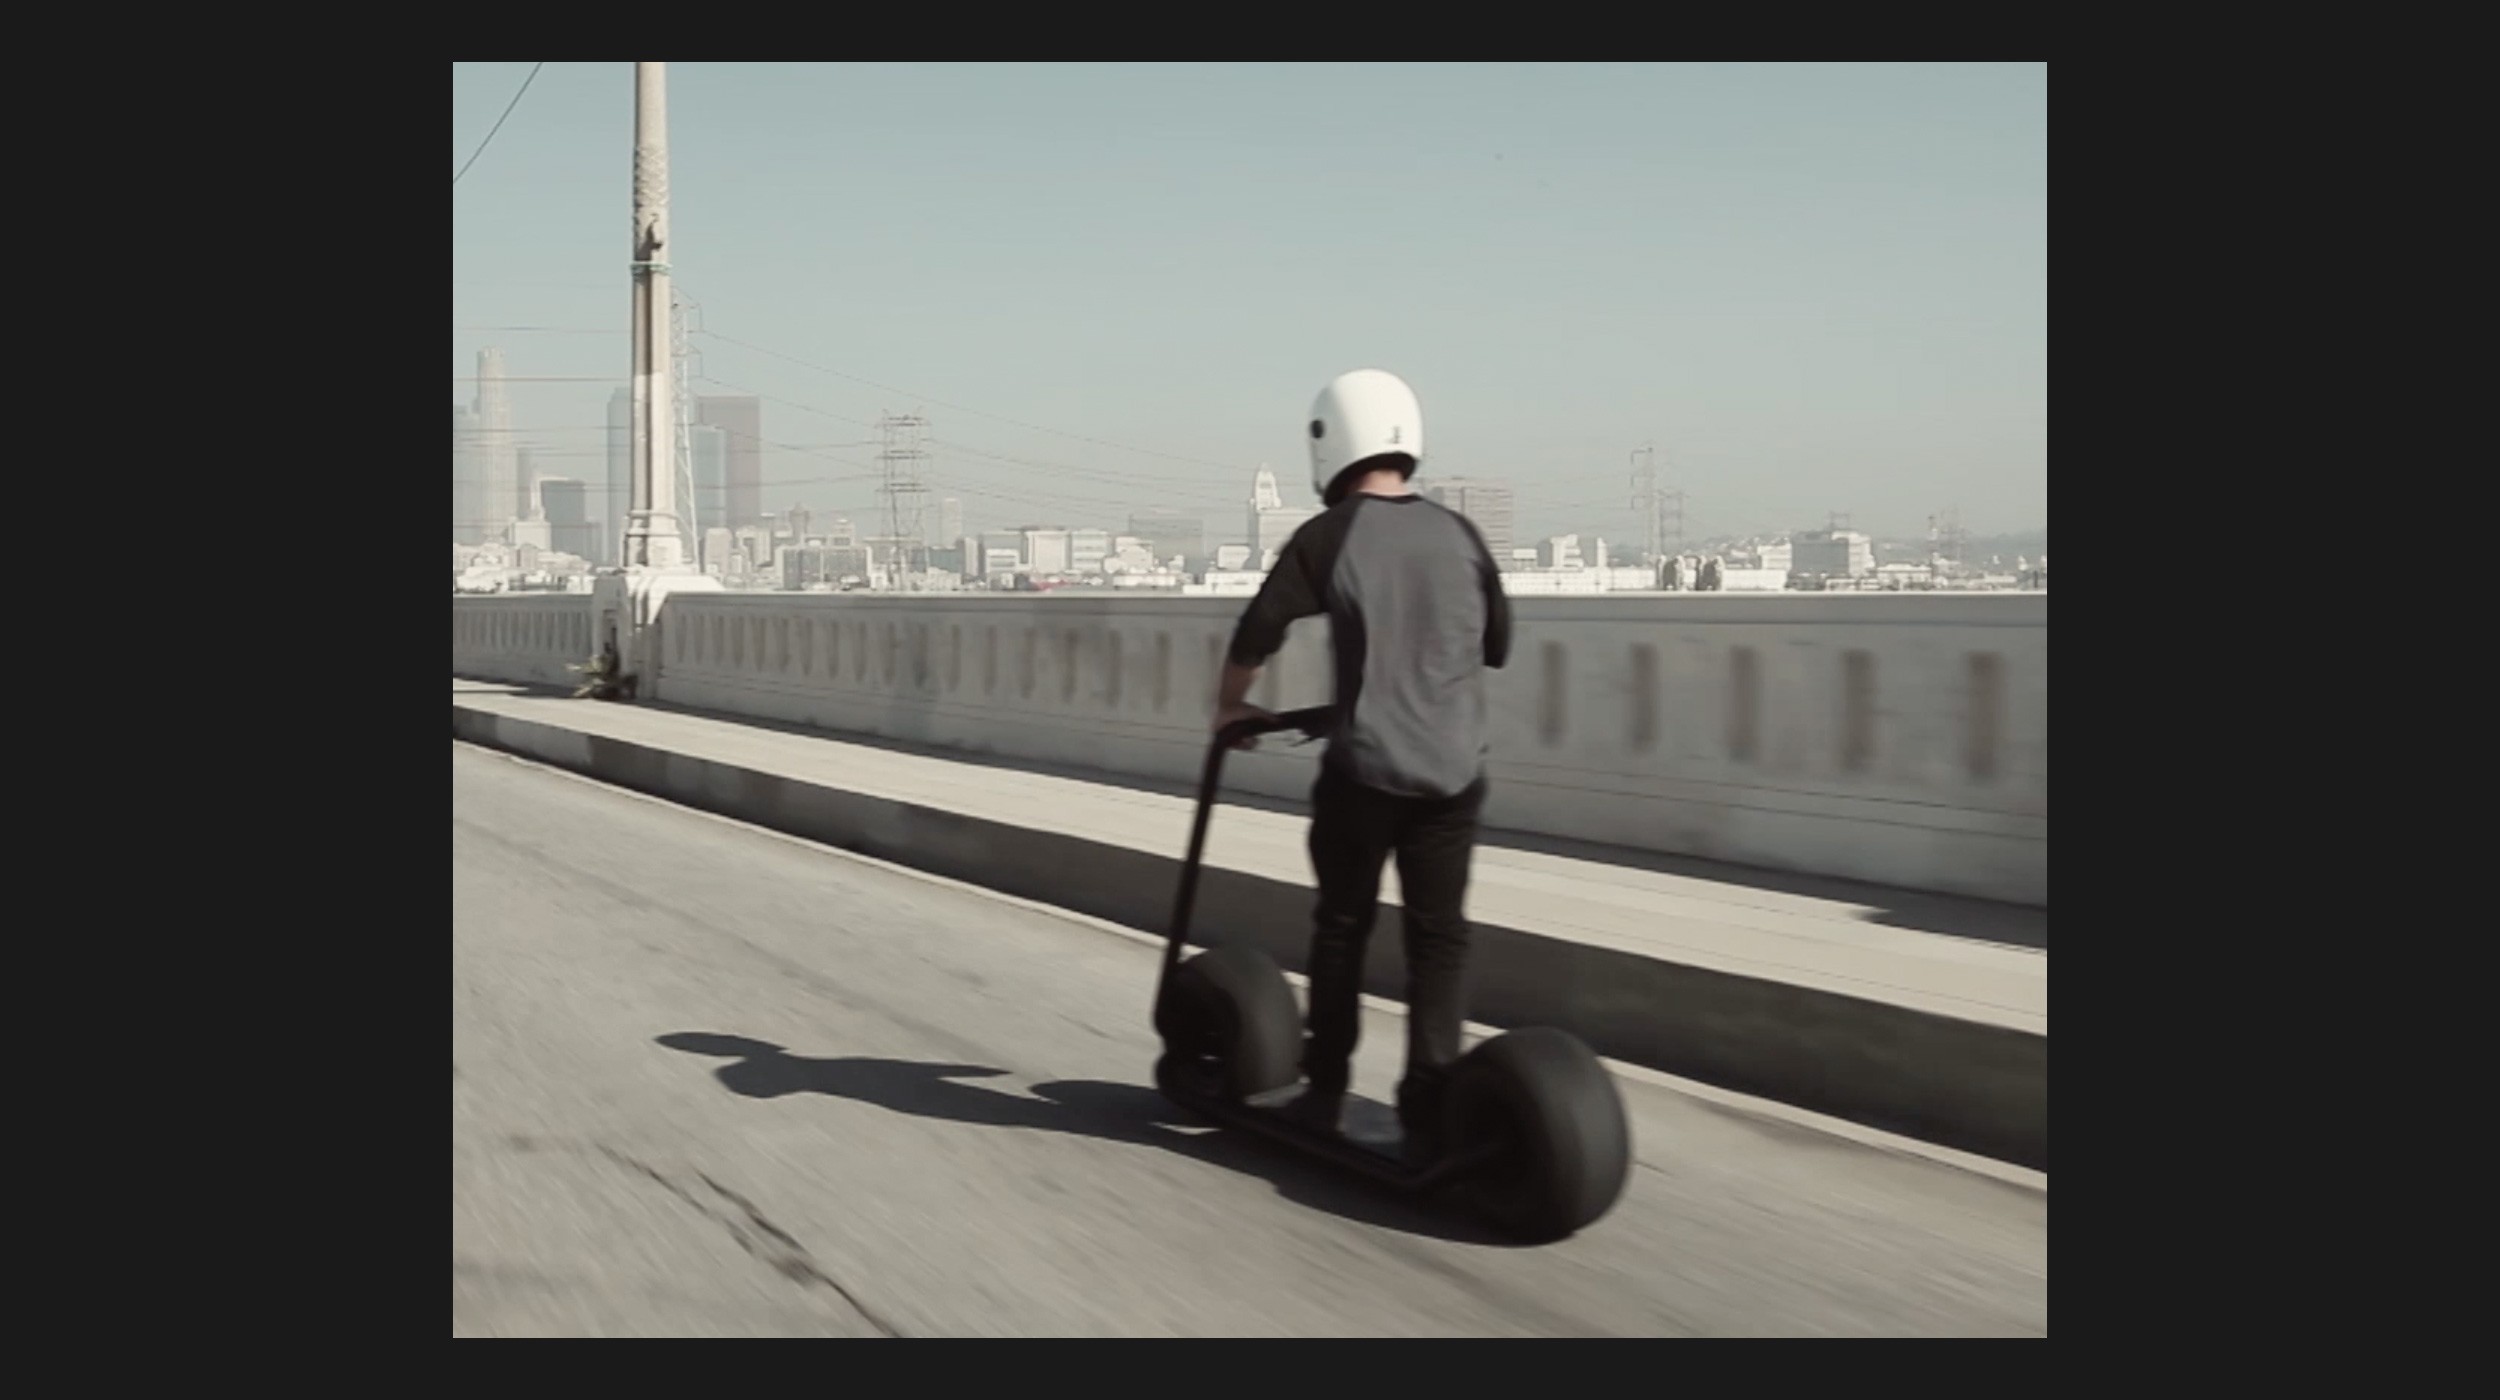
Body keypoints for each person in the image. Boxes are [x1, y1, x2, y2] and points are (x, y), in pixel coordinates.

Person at [1213, 368, 1511, 1161]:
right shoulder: (1462, 534)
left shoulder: (1330, 535)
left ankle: (1326, 1086)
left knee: (1344, 923)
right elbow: (1497, 644)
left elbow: (1257, 631)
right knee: (1439, 938)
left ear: (1329, 442)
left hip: (1366, 771)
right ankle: (1430, 1101)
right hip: (1455, 775)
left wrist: (1231, 707)